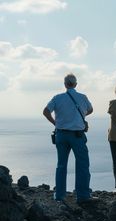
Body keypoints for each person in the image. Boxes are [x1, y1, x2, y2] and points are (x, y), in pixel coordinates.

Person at [43, 73, 95, 204]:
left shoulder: (57, 98)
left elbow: (45, 111)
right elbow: (90, 109)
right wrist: (80, 116)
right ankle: (83, 195)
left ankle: (60, 195)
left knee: (61, 165)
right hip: (77, 135)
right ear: (76, 84)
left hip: (61, 134)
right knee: (82, 164)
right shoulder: (82, 97)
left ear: (65, 84)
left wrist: (56, 123)